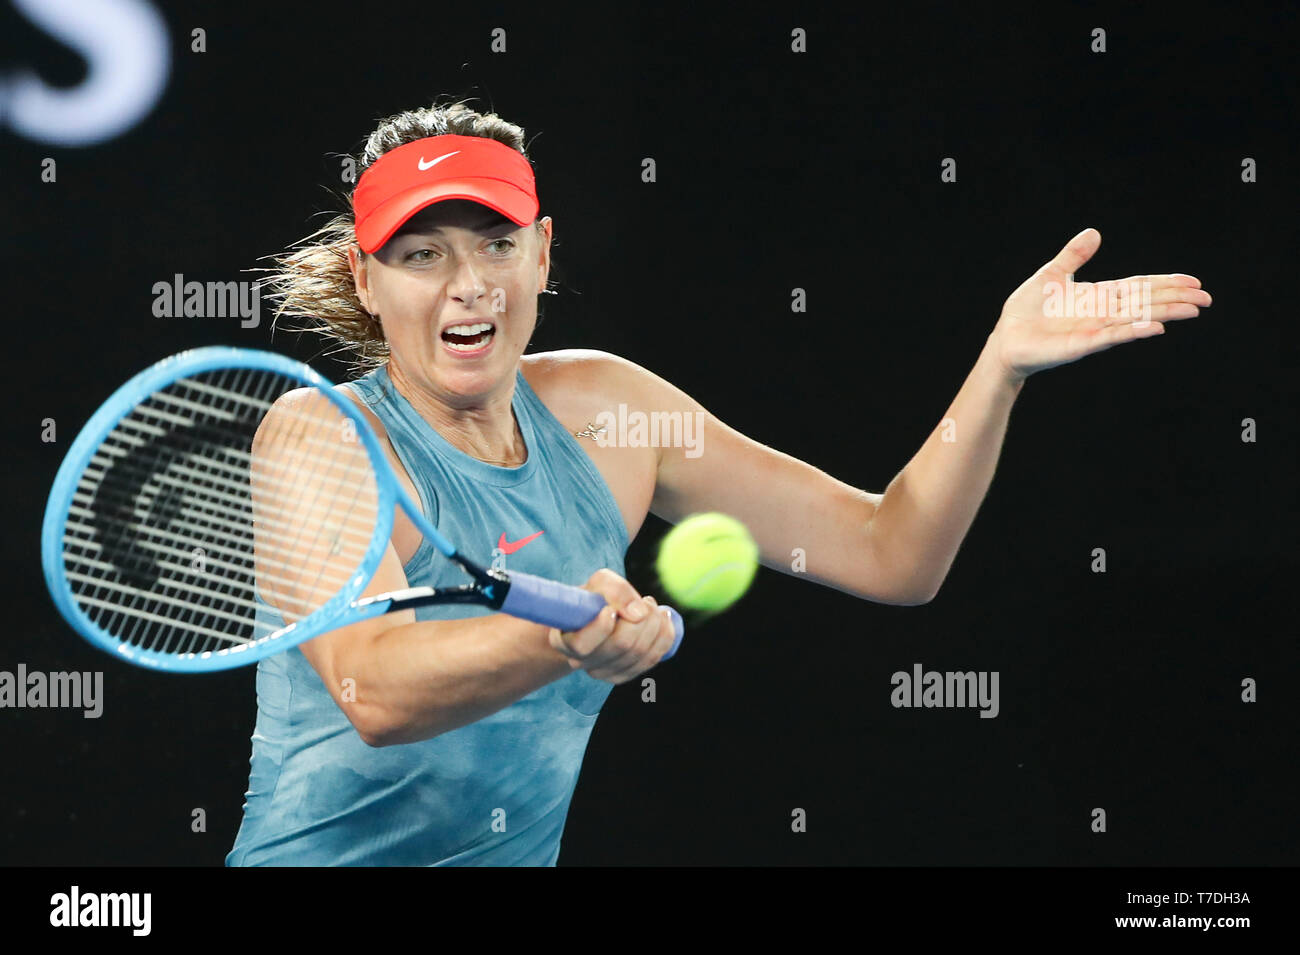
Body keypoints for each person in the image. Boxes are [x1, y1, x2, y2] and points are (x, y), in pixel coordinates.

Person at [226, 99, 1211, 866]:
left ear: (542, 252)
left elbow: (892, 552)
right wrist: (561, 635)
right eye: (420, 253)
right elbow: (375, 688)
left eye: (495, 242)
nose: (467, 283)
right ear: (366, 280)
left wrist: (998, 368)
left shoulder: (610, 410)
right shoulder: (321, 435)